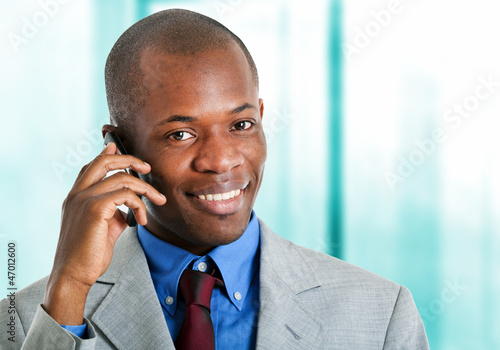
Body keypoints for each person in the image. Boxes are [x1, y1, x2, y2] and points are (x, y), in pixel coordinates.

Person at [0, 9, 429, 350]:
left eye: (241, 125)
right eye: (180, 134)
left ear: (261, 118)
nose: (221, 161)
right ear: (121, 147)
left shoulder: (382, 314)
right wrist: (72, 286)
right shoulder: (22, 318)